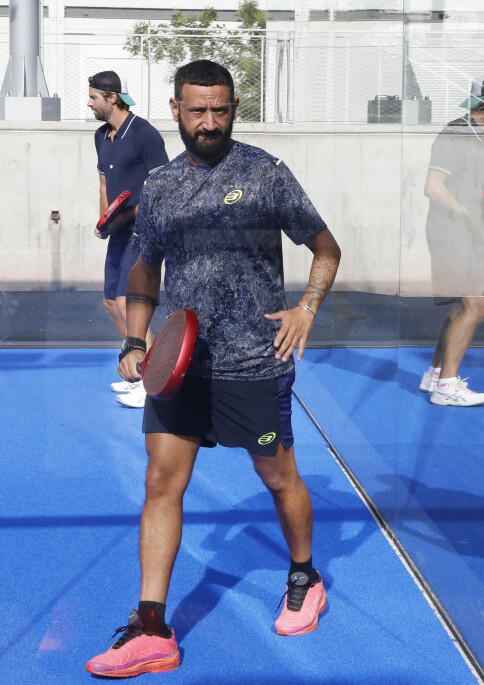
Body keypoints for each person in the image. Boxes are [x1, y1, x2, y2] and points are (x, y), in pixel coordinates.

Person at [85, 60, 341, 678]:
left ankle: (304, 575)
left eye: (220, 109)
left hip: (256, 363)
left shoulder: (265, 174)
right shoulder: (163, 187)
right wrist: (138, 340)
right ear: (175, 109)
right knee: (160, 484)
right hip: (181, 367)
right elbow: (146, 268)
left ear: (233, 109)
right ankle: (151, 629)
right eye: (197, 110)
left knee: (279, 478)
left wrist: (307, 308)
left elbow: (326, 247)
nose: (209, 121)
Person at [88, 70, 169, 408]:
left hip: (143, 232)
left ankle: (153, 384)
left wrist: (130, 214)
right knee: (110, 303)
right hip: (118, 231)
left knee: (126, 301)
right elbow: (106, 183)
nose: (89, 103)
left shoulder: (145, 134)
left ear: (113, 98)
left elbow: (161, 187)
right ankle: (133, 369)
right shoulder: (100, 136)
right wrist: (106, 218)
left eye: (94, 97)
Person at [420, 74, 484, 407]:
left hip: (468, 232)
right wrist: (466, 213)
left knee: (464, 306)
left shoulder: (479, 135)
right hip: (453, 232)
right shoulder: (456, 133)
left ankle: (435, 373)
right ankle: (447, 386)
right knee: (475, 305)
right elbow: (433, 187)